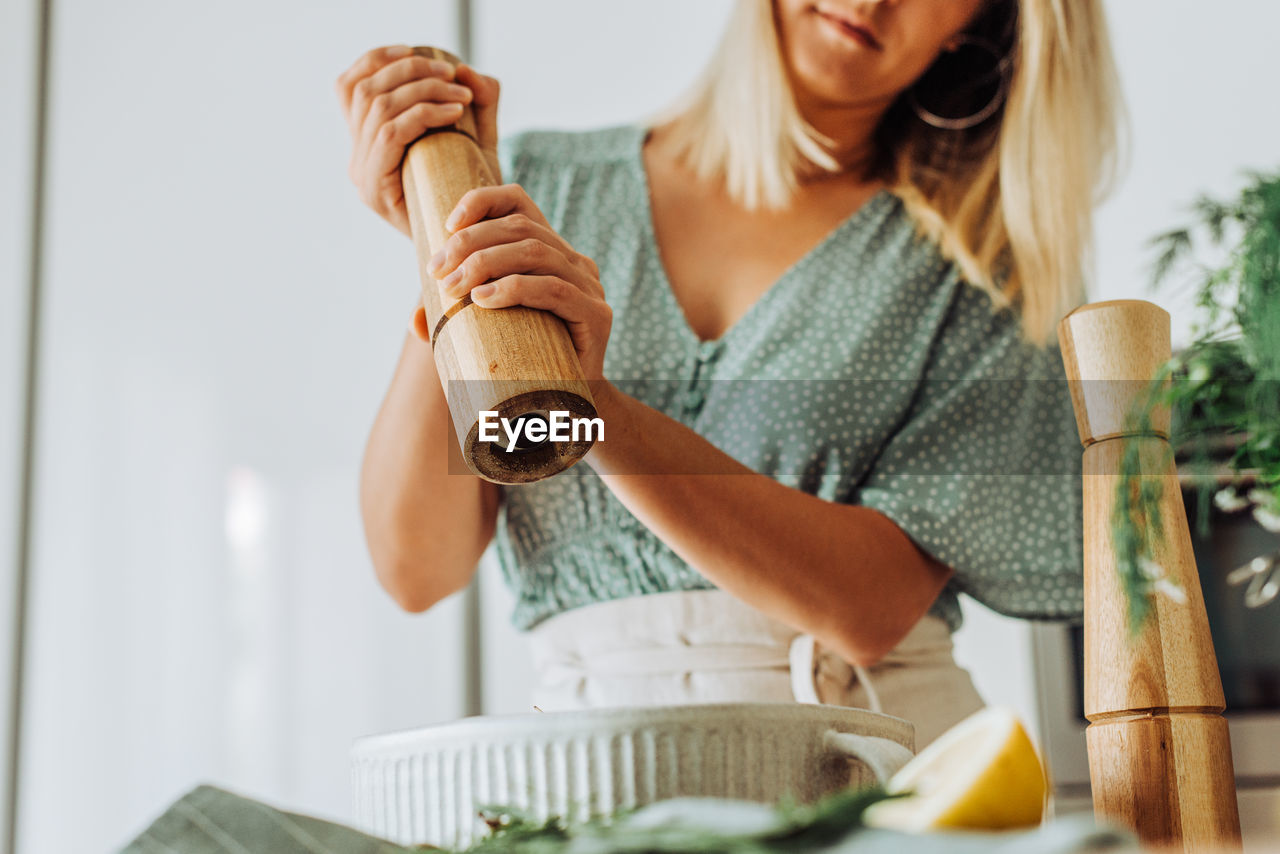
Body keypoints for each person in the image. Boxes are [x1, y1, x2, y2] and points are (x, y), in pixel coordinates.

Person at [346, 0, 1123, 750]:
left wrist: (596, 414)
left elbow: (869, 607)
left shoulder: (984, 260)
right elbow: (418, 569)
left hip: (869, 779)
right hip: (591, 772)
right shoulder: (537, 189)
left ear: (983, 23)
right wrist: (441, 250)